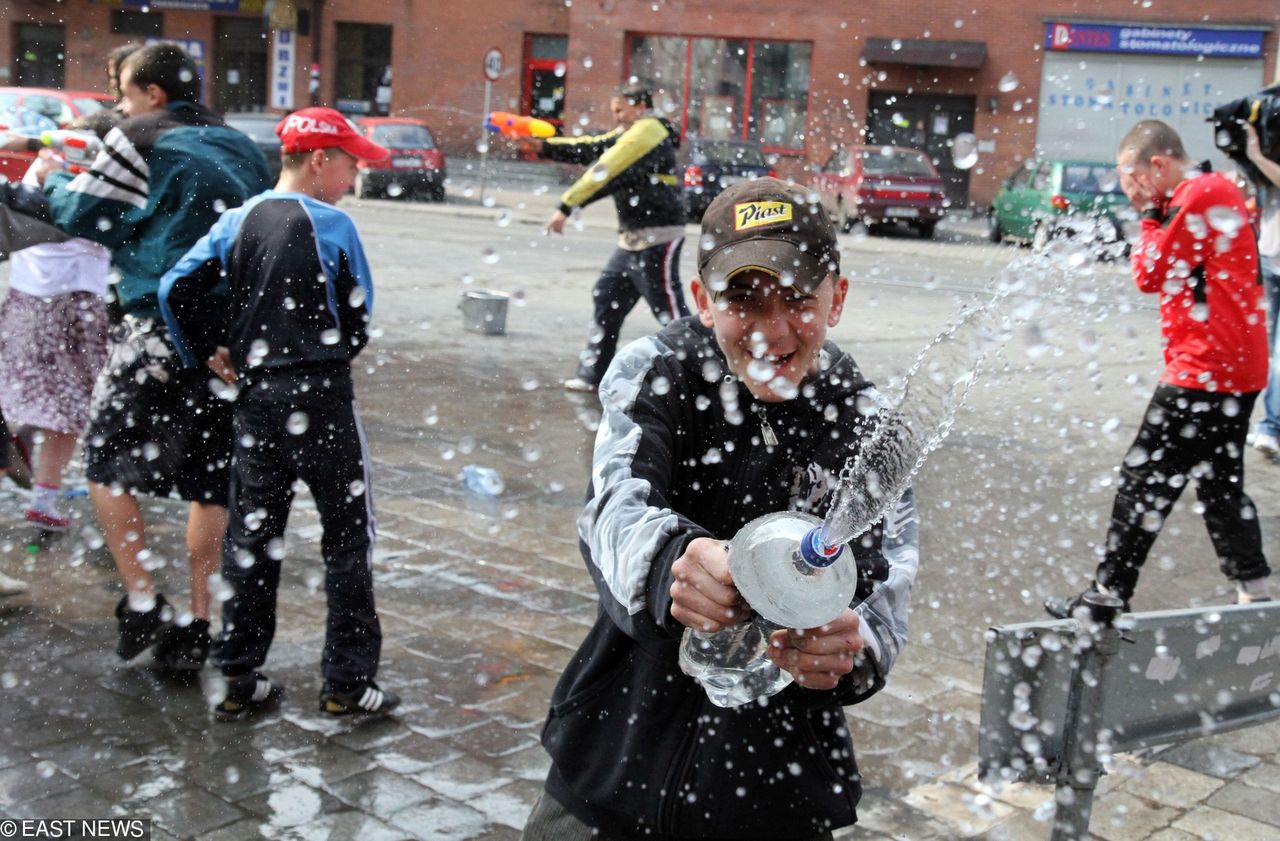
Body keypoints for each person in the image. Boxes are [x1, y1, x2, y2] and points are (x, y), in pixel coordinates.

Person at [521, 178, 919, 840]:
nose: (770, 331)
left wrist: (852, 648)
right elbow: (614, 509)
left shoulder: (870, 425)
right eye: (743, 300)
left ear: (837, 298)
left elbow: (887, 588)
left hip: (778, 791)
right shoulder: (657, 369)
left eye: (797, 299)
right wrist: (673, 561)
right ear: (704, 300)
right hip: (613, 755)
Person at [34, 42, 272, 668]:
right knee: (212, 483)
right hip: (228, 340)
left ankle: (141, 600)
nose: (119, 104)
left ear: (153, 95)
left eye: (124, 92)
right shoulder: (244, 146)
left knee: (106, 465)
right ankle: (200, 622)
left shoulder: (137, 137)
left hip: (154, 330)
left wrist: (50, 176)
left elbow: (79, 214)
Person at [158, 107, 399, 720]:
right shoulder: (335, 225)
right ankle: (347, 684)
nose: (351, 178)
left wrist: (208, 351)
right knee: (348, 539)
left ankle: (237, 677)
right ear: (320, 160)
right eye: (348, 165)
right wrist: (331, 350)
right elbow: (359, 315)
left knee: (253, 536)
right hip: (322, 399)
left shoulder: (236, 221)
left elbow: (172, 290)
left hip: (257, 401)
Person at [1046, 120, 1272, 620]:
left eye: (1133, 183)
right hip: (1233, 368)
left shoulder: (1199, 194)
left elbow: (1149, 273)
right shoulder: (1214, 190)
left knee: (1144, 479)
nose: (1132, 196)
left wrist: (1149, 217)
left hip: (1205, 371)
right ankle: (1254, 591)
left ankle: (1106, 595)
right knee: (1218, 482)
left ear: (1159, 166)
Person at [0, 112, 116, 531]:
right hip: (78, 300)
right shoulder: (98, 174)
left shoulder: (45, 165)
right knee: (67, 407)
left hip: (27, 297)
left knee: (19, 394)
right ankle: (44, 500)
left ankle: (28, 470)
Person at [534, 82, 689, 392]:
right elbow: (593, 146)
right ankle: (593, 374)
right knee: (607, 297)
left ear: (639, 105)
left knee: (669, 312)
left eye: (620, 110)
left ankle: (708, 370)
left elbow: (607, 170)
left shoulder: (649, 130)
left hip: (658, 234)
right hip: (632, 237)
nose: (617, 116)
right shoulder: (629, 134)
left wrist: (567, 205)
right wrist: (545, 145)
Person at [1243, 121, 1280, 457]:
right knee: (1261, 349)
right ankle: (1260, 423)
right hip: (1269, 259)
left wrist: (1255, 154)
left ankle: (1271, 427)